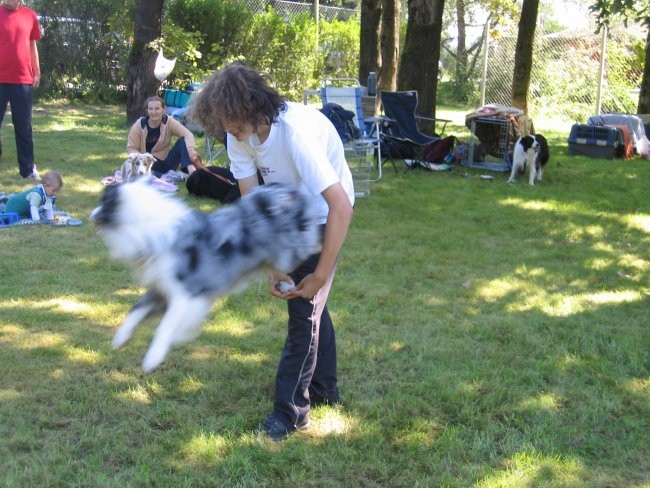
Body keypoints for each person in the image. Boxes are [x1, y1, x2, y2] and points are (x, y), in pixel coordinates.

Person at [191, 62, 355, 441]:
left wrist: (319, 274)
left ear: (254, 104)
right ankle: (325, 389)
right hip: (288, 208)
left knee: (304, 308)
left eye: (234, 120)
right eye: (224, 123)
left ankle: (290, 413)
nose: (230, 130)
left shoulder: (294, 135)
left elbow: (340, 207)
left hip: (326, 206)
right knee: (311, 304)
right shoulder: (238, 135)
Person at [0, 0, 42, 180]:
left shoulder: (29, 15)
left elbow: (32, 45)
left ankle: (27, 169)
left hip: (23, 80)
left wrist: (37, 71)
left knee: (24, 127)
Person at [127, 96, 200, 178]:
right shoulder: (139, 125)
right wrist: (139, 161)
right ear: (147, 110)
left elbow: (188, 134)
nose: (154, 112)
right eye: (150, 109)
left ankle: (192, 172)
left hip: (166, 163)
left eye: (157, 108)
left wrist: (190, 151)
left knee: (183, 141)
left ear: (164, 109)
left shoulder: (169, 121)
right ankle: (158, 176)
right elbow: (131, 148)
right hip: (145, 165)